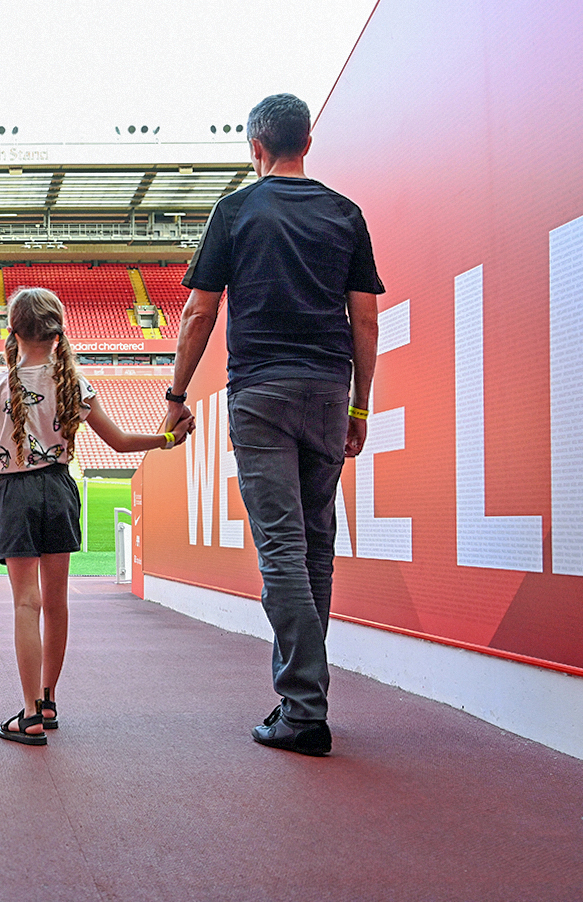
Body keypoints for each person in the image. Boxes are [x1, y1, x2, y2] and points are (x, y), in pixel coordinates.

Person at [165, 93, 383, 757]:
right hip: (326, 389)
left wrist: (176, 394)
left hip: (260, 390)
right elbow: (366, 319)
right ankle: (306, 698)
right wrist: (360, 404)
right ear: (307, 144)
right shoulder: (345, 213)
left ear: (255, 148)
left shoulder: (235, 210)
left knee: (283, 546)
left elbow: (199, 314)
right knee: (317, 542)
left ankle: (302, 708)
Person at [0, 287, 193, 745]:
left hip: (14, 494)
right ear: (57, 331)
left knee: (25, 604)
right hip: (59, 489)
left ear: (12, 330)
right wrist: (167, 440)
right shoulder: (74, 383)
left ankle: (29, 713)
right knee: (56, 603)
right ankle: (48, 702)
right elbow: (120, 443)